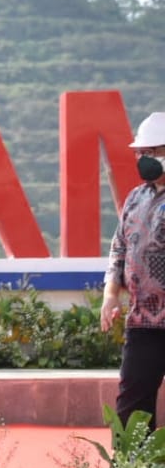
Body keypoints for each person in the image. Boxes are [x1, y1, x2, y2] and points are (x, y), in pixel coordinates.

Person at [101, 111, 165, 432]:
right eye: (141, 153)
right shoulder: (135, 198)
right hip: (143, 322)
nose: (144, 159)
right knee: (132, 409)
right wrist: (111, 295)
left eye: (152, 153)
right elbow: (119, 248)